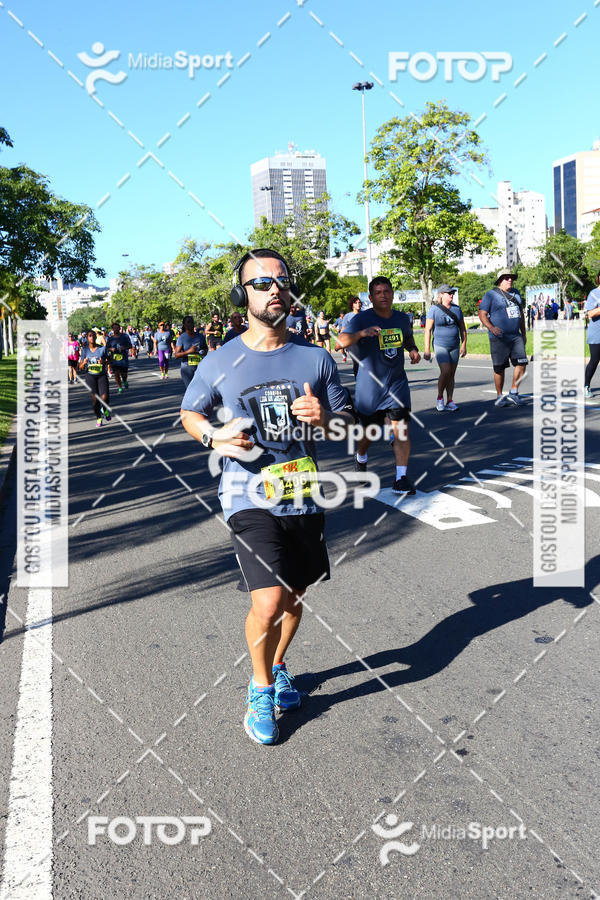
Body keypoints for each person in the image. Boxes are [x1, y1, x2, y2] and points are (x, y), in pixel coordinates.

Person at [180, 249, 354, 746]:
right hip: (245, 494)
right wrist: (214, 438)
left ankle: (277, 667)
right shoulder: (219, 361)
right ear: (243, 295)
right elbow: (191, 413)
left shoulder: (316, 358)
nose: (271, 288)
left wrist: (324, 418)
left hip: (300, 490)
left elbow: (344, 425)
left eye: (279, 280)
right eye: (259, 283)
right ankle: (259, 689)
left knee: (295, 597)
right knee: (270, 597)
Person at [338, 275, 421, 494]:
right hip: (370, 387)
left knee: (401, 430)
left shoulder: (402, 319)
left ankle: (400, 479)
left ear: (392, 294)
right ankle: (361, 457)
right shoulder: (360, 319)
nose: (383, 296)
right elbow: (340, 343)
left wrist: (411, 349)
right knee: (369, 433)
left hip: (396, 384)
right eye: (378, 293)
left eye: (386, 291)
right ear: (371, 297)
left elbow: (407, 338)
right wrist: (362, 333)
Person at [478, 268, 528, 407]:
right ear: (500, 280)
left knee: (522, 363)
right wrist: (491, 327)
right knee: (500, 367)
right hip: (499, 337)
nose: (510, 280)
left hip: (515, 336)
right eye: (506, 278)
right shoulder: (491, 295)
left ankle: (514, 392)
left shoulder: (516, 293)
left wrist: (523, 333)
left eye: (511, 277)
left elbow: (521, 314)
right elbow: (482, 314)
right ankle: (499, 396)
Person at [423, 285, 466, 411]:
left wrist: (464, 344)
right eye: (449, 293)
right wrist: (427, 350)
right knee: (446, 371)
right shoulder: (434, 310)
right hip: (440, 345)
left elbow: (462, 328)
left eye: (452, 293)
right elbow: (428, 330)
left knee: (452, 374)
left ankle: (450, 400)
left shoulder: (457, 309)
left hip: (454, 345)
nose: (451, 295)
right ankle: (440, 397)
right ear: (441, 294)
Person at [78, 330, 110, 427]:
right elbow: (80, 367)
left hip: (101, 375)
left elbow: (110, 360)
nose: (91, 337)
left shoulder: (102, 349)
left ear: (96, 337)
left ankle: (105, 409)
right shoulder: (85, 350)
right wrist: (84, 362)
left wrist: (103, 362)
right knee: (95, 400)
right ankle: (99, 418)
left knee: (105, 397)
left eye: (93, 336)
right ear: (87, 338)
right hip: (90, 376)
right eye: (89, 336)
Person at [174, 315, 208, 391]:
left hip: (199, 367)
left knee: (201, 390)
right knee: (191, 390)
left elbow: (205, 348)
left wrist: (204, 351)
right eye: (188, 322)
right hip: (187, 368)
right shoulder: (182, 337)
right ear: (184, 325)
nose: (191, 324)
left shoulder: (200, 336)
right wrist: (189, 351)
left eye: (192, 322)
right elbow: (176, 355)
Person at [335, 296, 363, 374]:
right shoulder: (347, 316)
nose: (358, 304)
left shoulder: (365, 314)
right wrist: (340, 343)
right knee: (357, 362)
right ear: (352, 305)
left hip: (364, 341)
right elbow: (343, 330)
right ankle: (358, 380)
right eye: (356, 303)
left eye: (359, 302)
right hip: (352, 342)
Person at [584, 272, 600, 400]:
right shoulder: (594, 294)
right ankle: (586, 386)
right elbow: (590, 314)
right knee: (595, 360)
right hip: (596, 334)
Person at [106, 322, 132, 393]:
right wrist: (111, 349)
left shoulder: (125, 336)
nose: (115, 329)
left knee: (124, 374)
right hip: (114, 359)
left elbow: (130, 345)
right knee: (116, 374)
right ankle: (119, 387)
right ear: (112, 329)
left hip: (123, 359)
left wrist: (124, 347)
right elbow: (106, 348)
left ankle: (125, 381)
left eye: (117, 328)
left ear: (119, 328)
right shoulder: (110, 339)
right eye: (114, 328)